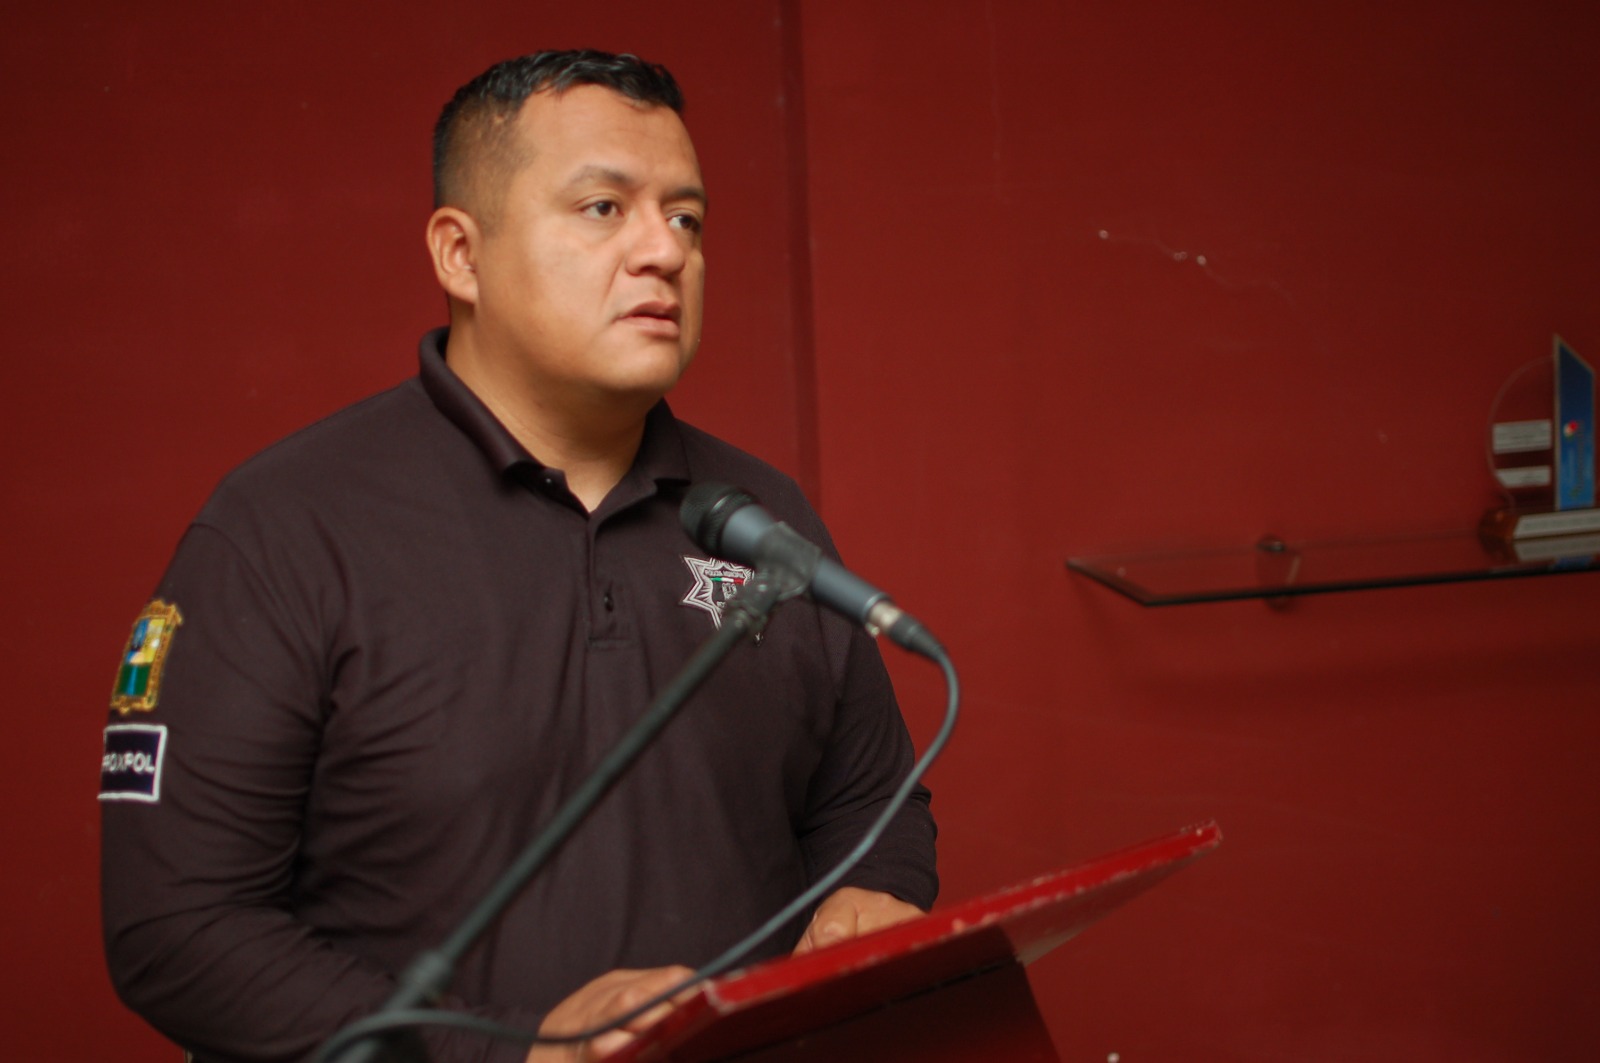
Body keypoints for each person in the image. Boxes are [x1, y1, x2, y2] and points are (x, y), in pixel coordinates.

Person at [99, 50, 937, 1063]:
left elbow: (872, 803)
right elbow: (178, 930)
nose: (664, 252)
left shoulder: (761, 516)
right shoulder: (282, 528)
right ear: (461, 254)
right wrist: (513, 1054)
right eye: (602, 208)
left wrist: (870, 893)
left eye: (686, 218)